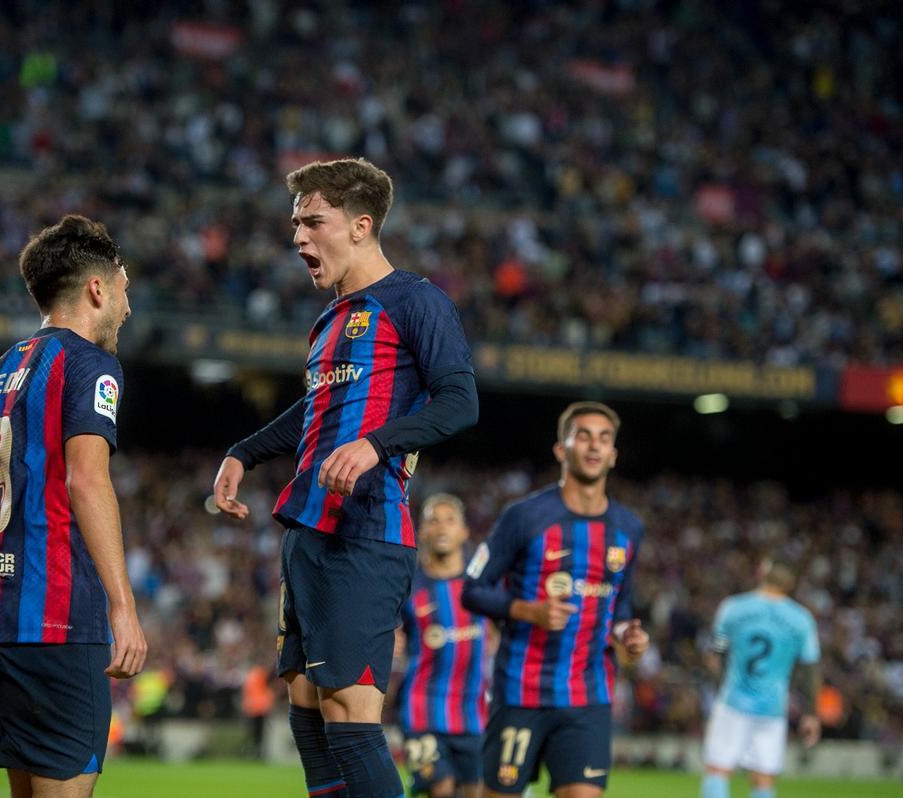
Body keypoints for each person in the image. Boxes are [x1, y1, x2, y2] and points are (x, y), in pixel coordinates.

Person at [212, 158, 478, 797]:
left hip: (365, 531)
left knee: (350, 718)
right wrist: (244, 453)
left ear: (361, 226)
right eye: (295, 223)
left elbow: (460, 399)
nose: (298, 237)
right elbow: (317, 409)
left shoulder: (415, 300)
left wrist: (376, 444)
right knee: (307, 708)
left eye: (312, 222)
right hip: (307, 529)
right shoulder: (332, 319)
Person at [0, 214, 147, 798]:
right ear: (97, 288)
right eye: (124, 288)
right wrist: (123, 607)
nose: (128, 306)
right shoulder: (90, 365)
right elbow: (86, 481)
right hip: (59, 624)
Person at [462, 402, 649, 798]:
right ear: (561, 450)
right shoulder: (524, 517)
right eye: (583, 435)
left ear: (613, 455)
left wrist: (626, 632)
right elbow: (472, 590)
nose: (594, 446)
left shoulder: (629, 528)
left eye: (604, 438)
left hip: (589, 695)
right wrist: (527, 610)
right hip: (520, 691)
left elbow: (622, 604)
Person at [699, 558, 821, 798]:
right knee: (763, 780)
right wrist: (811, 714)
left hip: (733, 701)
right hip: (772, 708)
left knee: (718, 770)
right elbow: (809, 669)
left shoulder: (733, 608)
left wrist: (718, 686)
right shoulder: (801, 619)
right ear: (790, 583)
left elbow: (716, 655)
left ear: (763, 574)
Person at [396, 494, 488, 798]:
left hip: (474, 712)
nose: (442, 527)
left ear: (464, 531)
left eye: (451, 520)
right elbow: (391, 636)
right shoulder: (409, 585)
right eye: (433, 520)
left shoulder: (483, 584)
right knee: (442, 789)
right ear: (421, 531)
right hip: (422, 709)